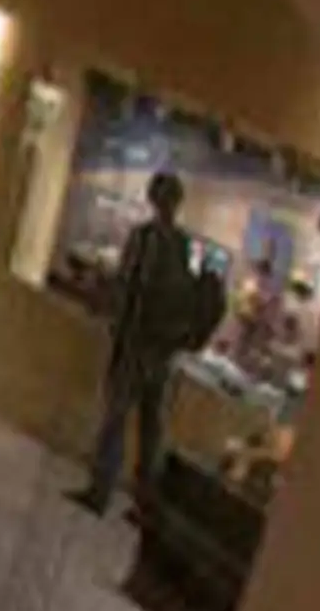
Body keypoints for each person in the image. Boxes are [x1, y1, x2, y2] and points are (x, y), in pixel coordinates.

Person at [79, 173, 225, 515]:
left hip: (138, 346)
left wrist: (120, 327)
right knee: (149, 430)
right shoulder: (181, 244)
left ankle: (103, 490)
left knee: (119, 420)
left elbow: (131, 290)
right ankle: (142, 501)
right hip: (159, 351)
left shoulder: (146, 238)